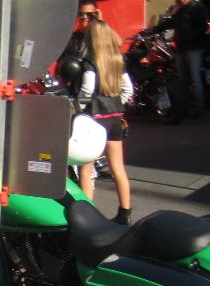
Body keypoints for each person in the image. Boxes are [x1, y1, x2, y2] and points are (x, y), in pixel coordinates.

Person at [78, 19, 133, 224]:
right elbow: (128, 90)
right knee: (118, 168)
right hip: (115, 118)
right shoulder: (117, 60)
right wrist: (117, 104)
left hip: (95, 120)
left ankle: (88, 215)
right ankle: (125, 213)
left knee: (86, 169)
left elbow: (87, 89)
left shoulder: (90, 62)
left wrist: (79, 107)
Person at [155, 0, 210, 117]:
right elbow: (171, 22)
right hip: (181, 48)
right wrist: (153, 29)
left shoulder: (197, 7)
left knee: (195, 79)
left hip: (194, 48)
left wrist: (189, 36)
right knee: (182, 80)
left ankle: (198, 108)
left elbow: (204, 26)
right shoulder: (181, 10)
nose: (176, 1)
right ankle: (184, 107)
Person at [57, 1, 103, 97]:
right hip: (73, 90)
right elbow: (61, 63)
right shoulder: (70, 38)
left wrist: (100, 22)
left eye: (89, 14)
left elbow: (117, 43)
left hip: (96, 92)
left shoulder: (100, 36)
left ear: (95, 15)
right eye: (81, 14)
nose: (84, 17)